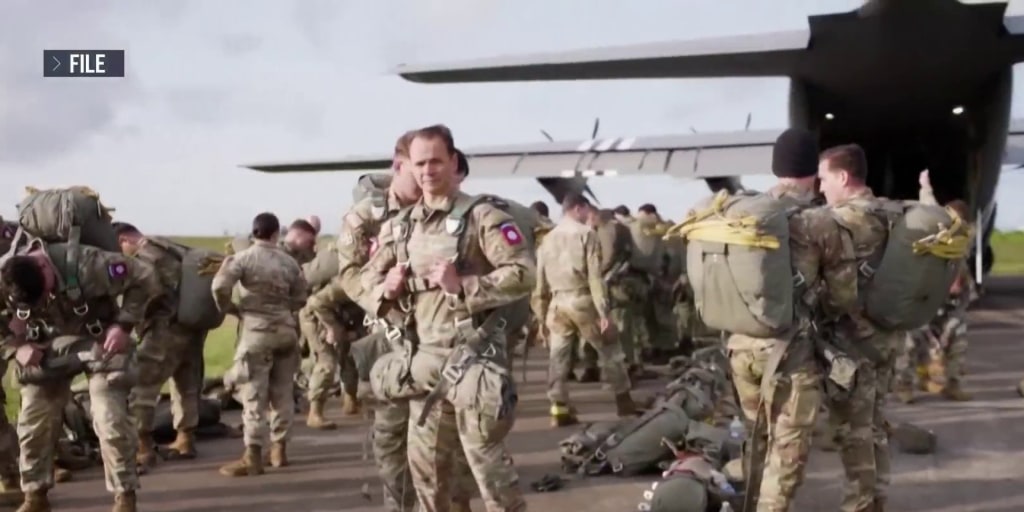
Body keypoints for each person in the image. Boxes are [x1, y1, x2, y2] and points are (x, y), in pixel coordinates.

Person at [355, 125, 531, 511]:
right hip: (425, 371)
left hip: (473, 363)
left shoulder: (483, 217)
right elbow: (363, 278)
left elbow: (524, 274)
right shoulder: (402, 226)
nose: (428, 170)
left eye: (436, 161)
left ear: (453, 162)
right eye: (420, 163)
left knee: (493, 483)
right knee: (432, 486)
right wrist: (385, 288)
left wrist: (465, 285)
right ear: (408, 166)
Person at [726, 129, 858, 511]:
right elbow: (843, 295)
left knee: (757, 441)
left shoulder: (744, 212)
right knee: (787, 456)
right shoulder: (819, 221)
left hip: (740, 349)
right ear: (812, 172)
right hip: (790, 354)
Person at [0, 241, 165, 511]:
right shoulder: (6, 278)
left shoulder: (91, 264)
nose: (42, 302)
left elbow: (146, 276)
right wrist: (16, 347)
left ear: (44, 266)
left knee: (109, 419)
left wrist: (124, 325)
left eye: (43, 293)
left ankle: (125, 497)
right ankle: (35, 495)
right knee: (33, 422)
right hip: (48, 351)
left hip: (102, 344)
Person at [817, 143, 897, 512]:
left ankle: (861, 505)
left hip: (853, 341)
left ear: (843, 177)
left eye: (824, 179)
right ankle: (877, 496)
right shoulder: (891, 214)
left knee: (854, 431)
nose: (820, 189)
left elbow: (834, 293)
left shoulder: (840, 221)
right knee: (875, 422)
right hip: (887, 337)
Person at [211, 212, 308, 477]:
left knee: (254, 393)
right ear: (276, 234)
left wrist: (230, 308)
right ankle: (279, 451)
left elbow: (219, 285)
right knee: (283, 393)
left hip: (256, 332)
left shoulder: (242, 259)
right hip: (286, 332)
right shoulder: (289, 263)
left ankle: (252, 455)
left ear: (254, 233)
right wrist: (284, 309)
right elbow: (301, 296)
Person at [535, 192, 636, 427]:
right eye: (586, 210)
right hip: (582, 301)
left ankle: (558, 407)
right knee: (610, 349)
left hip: (557, 304)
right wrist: (603, 312)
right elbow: (595, 277)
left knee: (558, 357)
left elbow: (539, 285)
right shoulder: (586, 235)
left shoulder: (547, 239)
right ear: (578, 208)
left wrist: (540, 319)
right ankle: (624, 402)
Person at [113, 222, 204, 470]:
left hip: (164, 329)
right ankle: (185, 439)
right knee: (186, 383)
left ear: (124, 239)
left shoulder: (146, 256)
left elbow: (150, 292)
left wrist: (132, 320)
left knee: (143, 385)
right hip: (190, 328)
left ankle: (142, 447)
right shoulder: (173, 247)